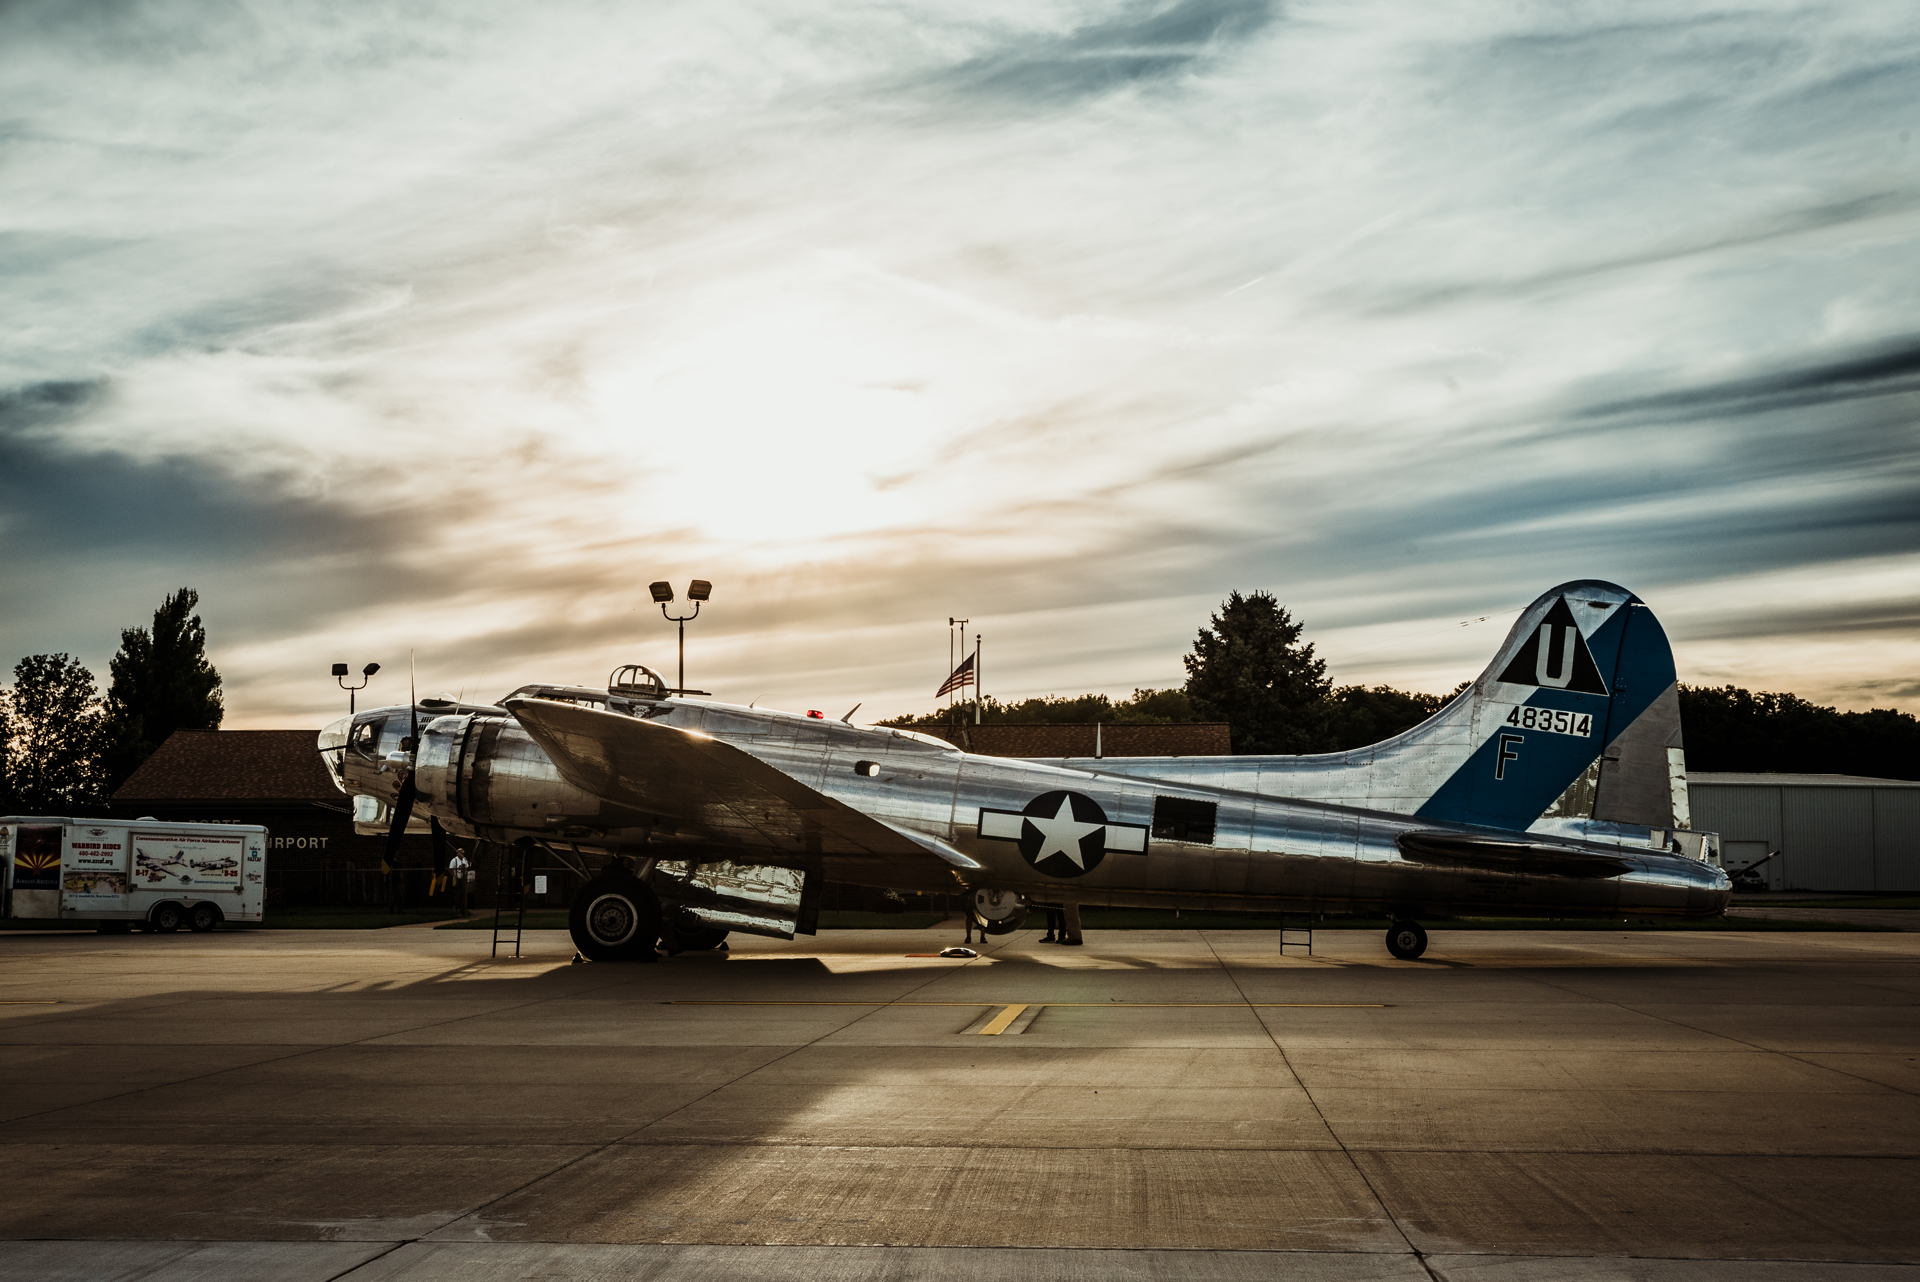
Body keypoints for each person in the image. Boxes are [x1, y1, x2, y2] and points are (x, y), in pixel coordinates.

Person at [447, 849, 473, 917]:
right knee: (457, 894)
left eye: (463, 853)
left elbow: (467, 867)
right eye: (460, 852)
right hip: (457, 879)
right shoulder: (454, 860)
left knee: (463, 894)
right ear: (457, 853)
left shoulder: (464, 859)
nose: (462, 854)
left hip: (463, 879)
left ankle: (463, 910)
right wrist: (455, 876)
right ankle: (456, 909)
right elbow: (450, 869)